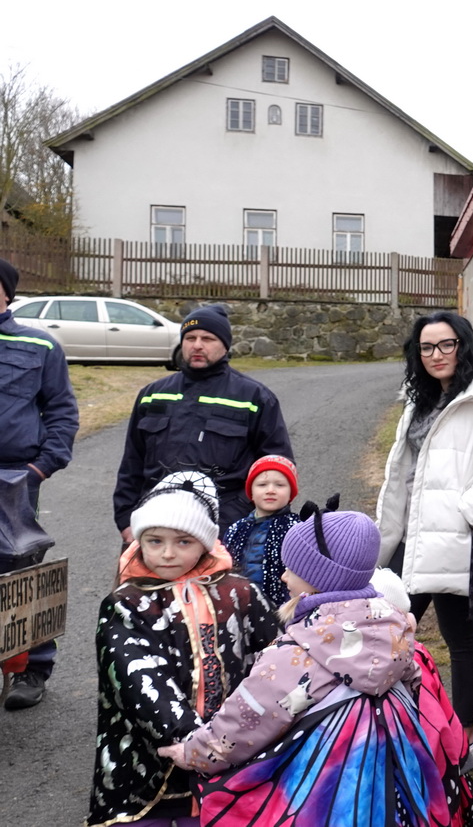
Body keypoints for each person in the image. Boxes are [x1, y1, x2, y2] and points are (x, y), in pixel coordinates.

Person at [159, 505, 473, 827]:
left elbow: (247, 718)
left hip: (321, 796)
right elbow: (415, 688)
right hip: (394, 788)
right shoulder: (394, 629)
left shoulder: (300, 651)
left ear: (319, 578)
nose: (283, 576)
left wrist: (194, 752)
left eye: (292, 569)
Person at [375, 310, 473, 772]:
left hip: (457, 541)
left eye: (446, 345)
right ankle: (397, 729)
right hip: (411, 537)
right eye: (426, 347)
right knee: (388, 631)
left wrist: (468, 512)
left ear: (463, 346)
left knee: (460, 640)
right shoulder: (419, 401)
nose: (436, 355)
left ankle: (465, 738)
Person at [90, 471, 279, 827]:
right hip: (147, 759)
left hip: (231, 756)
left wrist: (241, 736)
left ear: (205, 543)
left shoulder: (239, 593)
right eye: (155, 541)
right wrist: (193, 741)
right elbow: (139, 678)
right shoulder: (126, 604)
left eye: (183, 541)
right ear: (139, 542)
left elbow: (276, 661)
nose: (167, 553)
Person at [112, 303, 293, 544]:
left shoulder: (254, 398)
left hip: (225, 530)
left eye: (207, 338)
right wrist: (126, 520)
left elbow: (277, 469)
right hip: (154, 525)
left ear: (225, 345)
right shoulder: (153, 395)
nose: (197, 345)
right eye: (190, 338)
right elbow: (131, 463)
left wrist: (241, 524)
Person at [0, 256, 79, 710]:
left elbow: (62, 409)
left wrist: (42, 467)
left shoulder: (40, 345)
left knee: (22, 570)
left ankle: (32, 667)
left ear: (6, 293)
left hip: (14, 475)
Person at [222, 454, 299, 608]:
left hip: (281, 609)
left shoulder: (297, 529)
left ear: (291, 492)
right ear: (250, 490)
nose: (270, 490)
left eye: (280, 485)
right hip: (239, 607)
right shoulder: (236, 529)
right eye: (262, 485)